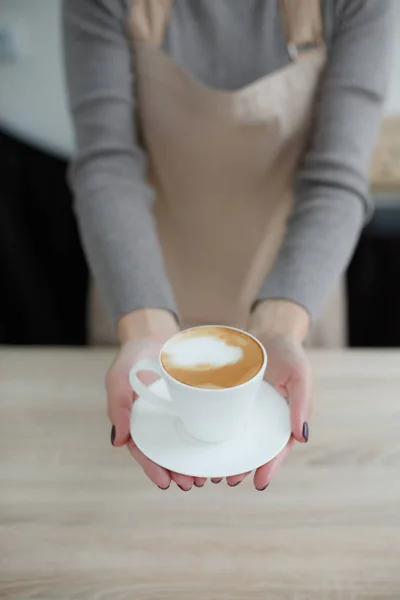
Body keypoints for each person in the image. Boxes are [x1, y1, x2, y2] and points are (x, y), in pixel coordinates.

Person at [63, 0, 392, 491]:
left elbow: (335, 178)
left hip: (296, 300)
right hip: (138, 292)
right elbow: (108, 165)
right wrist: (146, 329)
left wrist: (279, 328)